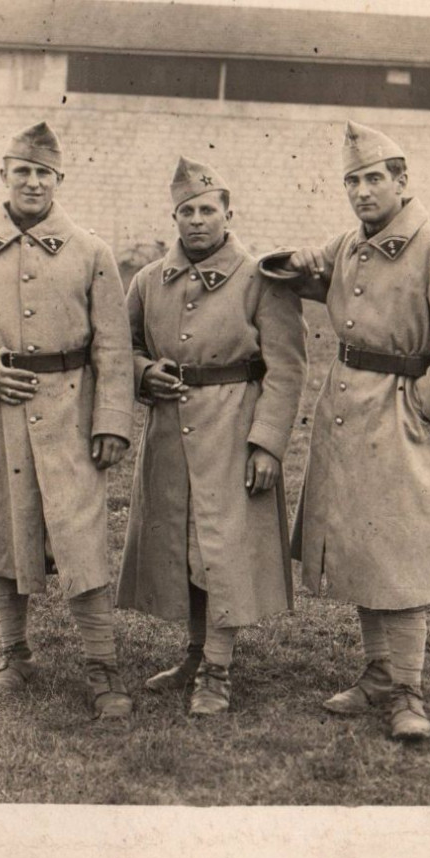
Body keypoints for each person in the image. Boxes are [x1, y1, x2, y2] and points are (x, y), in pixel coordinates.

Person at [259, 121, 430, 740]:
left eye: (374, 178)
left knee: (399, 553)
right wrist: (298, 263)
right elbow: (341, 287)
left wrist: (424, 402)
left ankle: (408, 692)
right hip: (346, 411)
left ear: (402, 181)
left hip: (398, 416)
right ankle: (375, 674)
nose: (363, 191)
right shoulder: (354, 242)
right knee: (363, 548)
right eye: (352, 181)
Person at [0, 122, 136, 719]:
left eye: (44, 173)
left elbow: (113, 348)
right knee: (3, 530)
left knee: (80, 533)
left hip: (71, 413)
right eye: (23, 171)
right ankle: (13, 654)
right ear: (4, 176)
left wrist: (112, 420)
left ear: (59, 180)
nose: (33, 182)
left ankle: (102, 665)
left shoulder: (92, 252)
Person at [116, 156, 306, 716]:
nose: (197, 220)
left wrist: (267, 442)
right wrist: (143, 373)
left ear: (228, 213)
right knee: (184, 542)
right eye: (186, 211)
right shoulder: (149, 281)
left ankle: (219, 671)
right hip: (171, 428)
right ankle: (196, 655)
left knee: (224, 547)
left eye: (207, 209)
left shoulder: (260, 280)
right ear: (173, 217)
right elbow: (122, 349)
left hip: (235, 426)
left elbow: (289, 368)